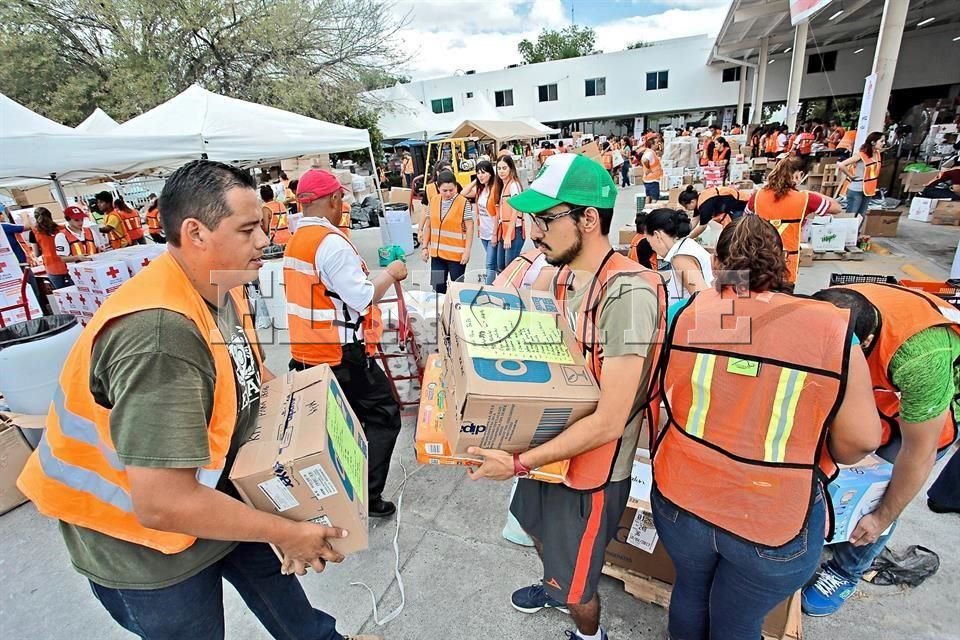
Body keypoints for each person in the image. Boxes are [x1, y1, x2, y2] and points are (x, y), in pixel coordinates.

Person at [17, 160, 380, 640]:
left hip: (216, 489)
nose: (263, 243)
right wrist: (288, 531)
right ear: (196, 232)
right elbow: (163, 504)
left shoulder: (221, 284)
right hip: (145, 541)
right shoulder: (160, 336)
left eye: (265, 227)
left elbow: (250, 374)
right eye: (248, 229)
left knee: (285, 596)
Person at [652, 215, 881, 640]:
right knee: (737, 621)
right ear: (783, 266)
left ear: (719, 264)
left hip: (682, 499)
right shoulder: (830, 328)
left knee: (689, 592)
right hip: (774, 515)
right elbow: (861, 441)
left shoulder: (689, 313)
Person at [467, 153, 665, 640]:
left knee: (581, 585)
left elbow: (608, 422)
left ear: (589, 219)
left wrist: (517, 463)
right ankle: (554, 584)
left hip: (593, 467)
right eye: (533, 219)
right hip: (550, 449)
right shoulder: (562, 273)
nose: (533, 231)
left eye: (545, 220)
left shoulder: (628, 294)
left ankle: (585, 629)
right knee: (537, 531)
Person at [804, 283, 960, 616]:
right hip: (880, 392)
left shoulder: (920, 358)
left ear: (867, 343)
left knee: (881, 489)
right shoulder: (826, 308)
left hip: (934, 409)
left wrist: (880, 516)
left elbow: (918, 455)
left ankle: (847, 569)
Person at [284, 168, 408, 520]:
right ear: (334, 199)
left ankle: (339, 490)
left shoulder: (297, 240)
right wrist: (391, 273)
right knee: (384, 415)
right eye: (341, 199)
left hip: (306, 353)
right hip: (342, 354)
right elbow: (363, 297)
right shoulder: (331, 242)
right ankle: (368, 496)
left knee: (341, 424)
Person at [745, 155, 842, 284]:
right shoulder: (806, 199)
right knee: (785, 296)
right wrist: (813, 194)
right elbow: (837, 208)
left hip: (759, 257)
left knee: (761, 296)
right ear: (799, 175)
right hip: (787, 261)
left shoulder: (757, 196)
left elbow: (745, 219)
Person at [645, 208, 713, 304]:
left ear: (657, 235)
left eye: (649, 241)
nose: (651, 247)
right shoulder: (686, 245)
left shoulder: (681, 259)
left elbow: (703, 301)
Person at [421, 170, 473, 294]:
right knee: (437, 286)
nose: (448, 193)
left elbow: (470, 227)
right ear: (438, 188)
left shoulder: (463, 203)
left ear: (456, 187)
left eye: (452, 190)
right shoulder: (433, 201)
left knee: (457, 288)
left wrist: (467, 251)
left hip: (456, 256)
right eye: (445, 190)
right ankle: (441, 310)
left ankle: (456, 310)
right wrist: (424, 247)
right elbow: (428, 226)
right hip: (437, 255)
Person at [29, 206, 95, 288]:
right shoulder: (63, 229)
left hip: (51, 267)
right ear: (50, 216)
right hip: (69, 264)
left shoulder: (33, 233)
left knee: (63, 294)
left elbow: (37, 253)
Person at [463, 160, 499, 284]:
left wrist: (495, 234)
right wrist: (475, 181)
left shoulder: (495, 189)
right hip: (483, 233)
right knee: (493, 264)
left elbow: (498, 214)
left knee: (489, 264)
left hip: (493, 233)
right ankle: (498, 284)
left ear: (490, 173)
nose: (481, 175)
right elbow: (463, 193)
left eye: (483, 173)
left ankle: (488, 288)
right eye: (478, 173)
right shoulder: (480, 190)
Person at [839, 131, 884, 217]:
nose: (883, 143)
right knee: (852, 214)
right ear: (873, 142)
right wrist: (851, 176)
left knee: (861, 214)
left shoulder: (877, 154)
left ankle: (857, 230)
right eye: (881, 141)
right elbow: (842, 165)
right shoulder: (861, 155)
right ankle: (848, 230)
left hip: (869, 190)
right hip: (856, 189)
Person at [682, 185, 751, 241]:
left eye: (685, 206)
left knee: (739, 232)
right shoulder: (700, 199)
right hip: (733, 207)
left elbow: (702, 226)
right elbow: (695, 220)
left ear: (692, 201)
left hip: (740, 205)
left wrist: (688, 238)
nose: (686, 209)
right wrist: (684, 232)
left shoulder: (705, 205)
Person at [494, 154, 526, 274]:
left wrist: (508, 235)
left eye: (504, 168)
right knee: (501, 265)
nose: (501, 171)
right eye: (499, 168)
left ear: (511, 169)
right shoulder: (503, 186)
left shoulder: (513, 185)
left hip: (514, 231)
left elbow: (515, 210)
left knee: (509, 268)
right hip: (504, 230)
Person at [640, 137, 662, 205]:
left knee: (648, 196)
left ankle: (646, 210)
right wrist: (648, 168)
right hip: (652, 179)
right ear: (652, 144)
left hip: (648, 179)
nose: (657, 144)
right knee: (654, 198)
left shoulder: (648, 151)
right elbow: (645, 160)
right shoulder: (650, 153)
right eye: (656, 143)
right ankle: (652, 210)